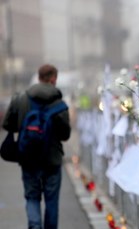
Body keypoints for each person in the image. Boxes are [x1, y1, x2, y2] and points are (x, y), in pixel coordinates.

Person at [2, 64, 71, 229]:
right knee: (51, 201)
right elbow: (65, 135)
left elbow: (7, 124)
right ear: (53, 78)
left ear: (39, 77)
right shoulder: (60, 104)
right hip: (52, 160)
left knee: (32, 198)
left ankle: (34, 226)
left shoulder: (20, 99)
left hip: (28, 158)